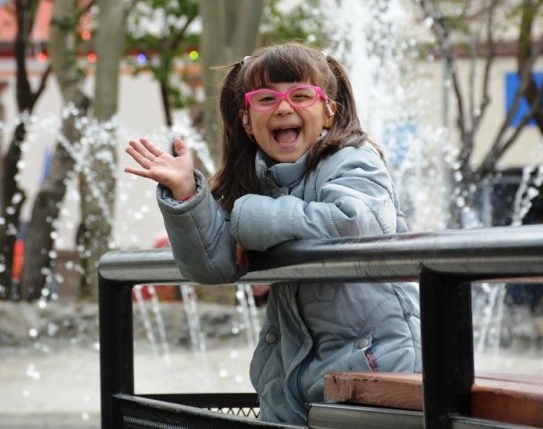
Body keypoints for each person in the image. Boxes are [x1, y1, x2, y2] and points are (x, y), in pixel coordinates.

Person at [124, 43, 421, 424]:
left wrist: (247, 217)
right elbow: (213, 264)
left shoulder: (353, 158)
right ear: (246, 119)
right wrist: (187, 195)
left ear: (329, 110)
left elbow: (353, 222)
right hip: (296, 374)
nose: (283, 107)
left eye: (301, 95)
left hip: (376, 365)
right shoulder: (258, 181)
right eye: (266, 98)